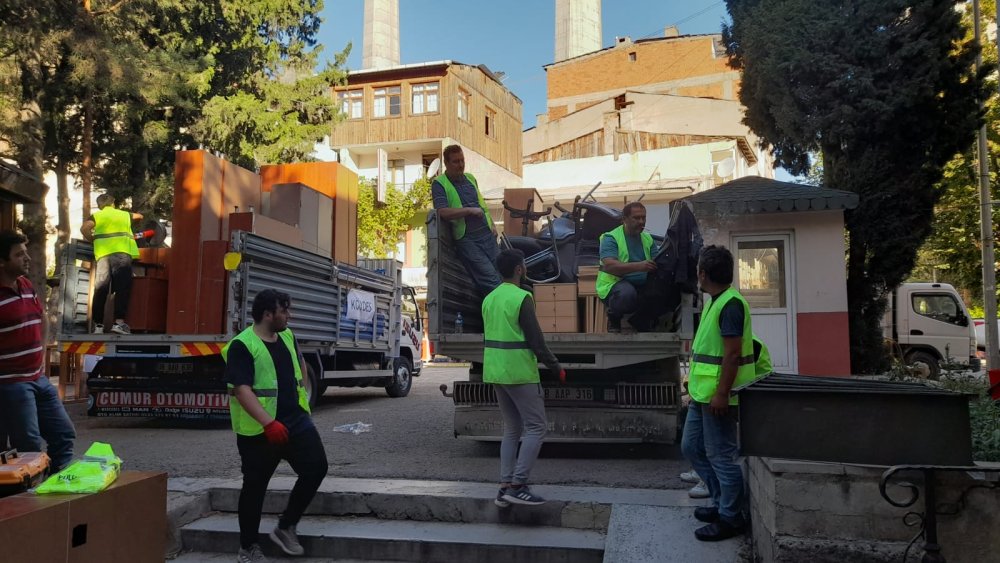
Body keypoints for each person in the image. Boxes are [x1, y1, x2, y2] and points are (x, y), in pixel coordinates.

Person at [222, 289, 328, 562]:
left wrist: (303, 396)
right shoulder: (242, 345)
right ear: (268, 314)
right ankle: (248, 548)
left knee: (316, 467)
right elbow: (241, 390)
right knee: (254, 488)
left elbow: (300, 363)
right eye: (284, 310)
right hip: (260, 431)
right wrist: (269, 423)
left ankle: (286, 526)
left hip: (296, 421)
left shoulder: (287, 335)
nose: (289, 315)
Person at [680, 245, 757, 542]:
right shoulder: (716, 300)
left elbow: (733, 354)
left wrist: (722, 393)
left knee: (721, 456)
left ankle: (731, 517)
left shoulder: (730, 305)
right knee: (691, 448)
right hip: (703, 393)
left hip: (719, 396)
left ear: (702, 274)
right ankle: (721, 502)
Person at [483, 249, 563, 507]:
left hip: (496, 371)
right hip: (519, 371)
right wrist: (555, 366)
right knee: (536, 427)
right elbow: (536, 341)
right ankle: (518, 486)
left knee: (511, 429)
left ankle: (505, 487)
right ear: (520, 269)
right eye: (524, 266)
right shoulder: (522, 298)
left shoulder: (489, 298)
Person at [0, 230, 76, 472]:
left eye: (26, 252)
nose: (27, 258)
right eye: (19, 254)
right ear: (2, 261)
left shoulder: (25, 284)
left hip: (38, 377)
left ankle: (55, 487)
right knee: (29, 446)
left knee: (63, 435)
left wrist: (42, 354)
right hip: (12, 384)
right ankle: (28, 491)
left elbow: (41, 318)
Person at [679, 333, 770, 500]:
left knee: (719, 452)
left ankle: (725, 503)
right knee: (693, 446)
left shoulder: (748, 343)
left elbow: (734, 367)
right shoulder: (711, 339)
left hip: (735, 399)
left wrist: (721, 395)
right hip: (707, 395)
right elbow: (700, 364)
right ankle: (709, 481)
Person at [432, 144, 502, 295]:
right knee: (492, 281)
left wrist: (492, 225)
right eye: (456, 161)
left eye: (462, 160)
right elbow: (442, 212)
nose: (461, 165)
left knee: (503, 275)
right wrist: (469, 211)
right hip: (468, 240)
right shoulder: (439, 183)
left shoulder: (470, 178)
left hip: (487, 235)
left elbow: (482, 204)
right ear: (446, 163)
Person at [80, 193, 142, 335]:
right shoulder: (123, 215)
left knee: (101, 289)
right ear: (113, 203)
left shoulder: (97, 216)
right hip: (122, 254)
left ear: (100, 206)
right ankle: (118, 324)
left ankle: (98, 326)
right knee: (122, 288)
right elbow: (140, 216)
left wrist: (92, 239)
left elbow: (84, 229)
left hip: (103, 256)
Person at [595, 201, 659, 332]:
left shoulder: (648, 239)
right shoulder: (610, 238)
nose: (641, 222)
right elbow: (610, 266)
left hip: (640, 284)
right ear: (624, 219)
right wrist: (639, 266)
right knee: (626, 294)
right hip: (615, 285)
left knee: (662, 290)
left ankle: (640, 320)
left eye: (643, 218)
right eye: (636, 218)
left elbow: (658, 262)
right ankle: (614, 316)